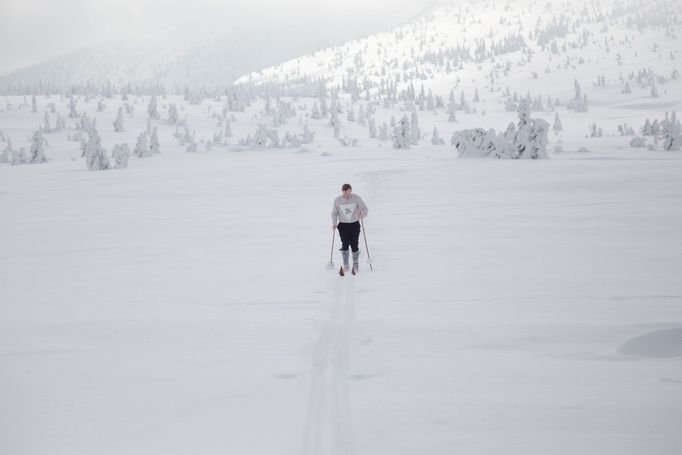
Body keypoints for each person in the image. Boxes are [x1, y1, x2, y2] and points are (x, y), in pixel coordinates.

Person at [331, 183, 369, 273]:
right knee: (344, 244)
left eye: (348, 193)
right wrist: (334, 223)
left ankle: (355, 263)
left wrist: (362, 214)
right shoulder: (337, 200)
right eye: (344, 193)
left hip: (354, 224)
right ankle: (346, 265)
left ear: (350, 190)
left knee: (354, 244)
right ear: (342, 191)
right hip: (343, 225)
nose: (346, 195)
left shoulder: (356, 198)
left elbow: (365, 209)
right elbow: (334, 213)